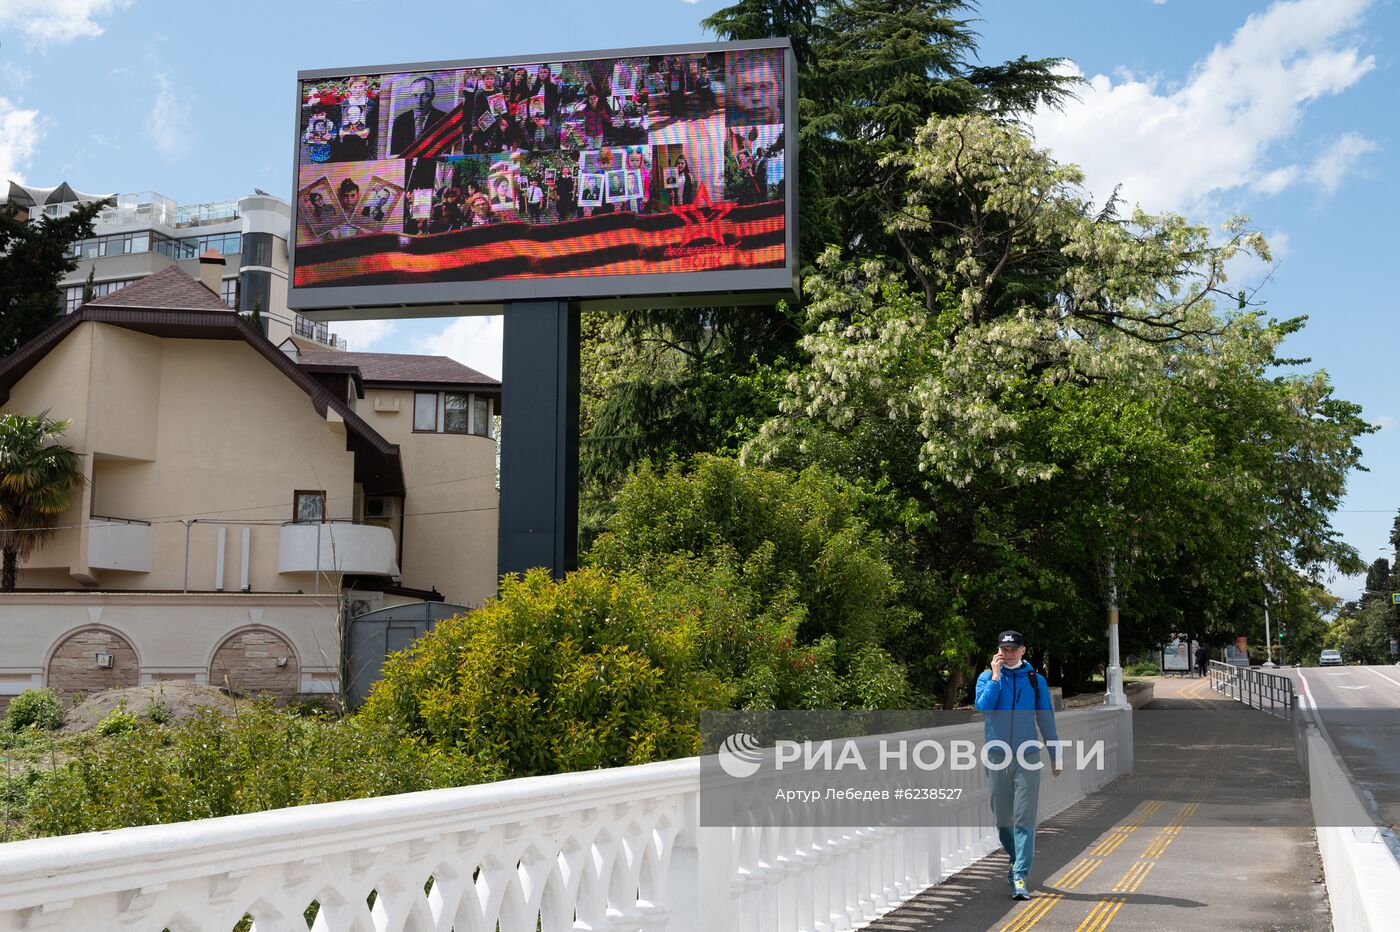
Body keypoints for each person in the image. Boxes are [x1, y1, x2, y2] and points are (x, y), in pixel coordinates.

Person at [974, 630, 1061, 901]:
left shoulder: (1035, 680)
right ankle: (1014, 858)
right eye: (1004, 648)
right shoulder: (987, 678)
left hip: (1027, 756)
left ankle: (1020, 875)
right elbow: (984, 707)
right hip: (997, 755)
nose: (1008, 652)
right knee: (1003, 819)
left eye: (1013, 649)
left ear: (1023, 650)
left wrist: (1055, 754)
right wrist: (997, 677)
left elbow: (1045, 718)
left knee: (1024, 817)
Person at [390, 75, 447, 156]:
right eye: (415, 95)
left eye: (424, 95)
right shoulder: (400, 121)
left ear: (432, 96)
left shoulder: (443, 120)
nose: (419, 101)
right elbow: (394, 154)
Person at [727, 50, 783, 126]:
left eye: (764, 87)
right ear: (734, 96)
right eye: (746, 89)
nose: (756, 98)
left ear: (779, 89)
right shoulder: (733, 127)